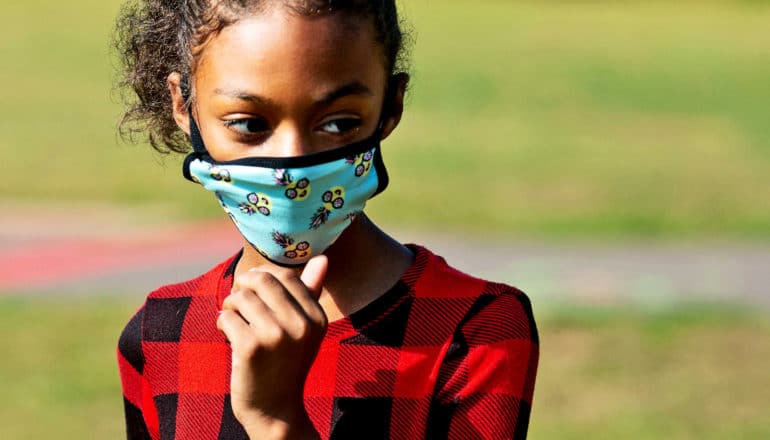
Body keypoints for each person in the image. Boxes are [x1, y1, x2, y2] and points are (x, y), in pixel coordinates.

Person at [114, 1, 539, 438]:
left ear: (390, 107)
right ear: (184, 106)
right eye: (248, 123)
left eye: (338, 123)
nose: (292, 159)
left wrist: (277, 420)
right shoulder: (160, 333)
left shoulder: (475, 329)